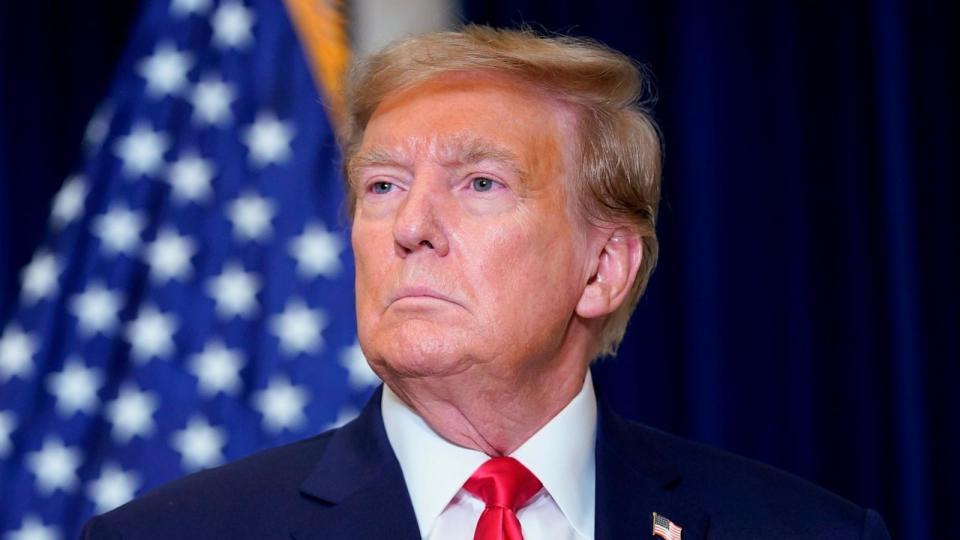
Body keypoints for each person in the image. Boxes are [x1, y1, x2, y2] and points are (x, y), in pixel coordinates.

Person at [83, 26, 891, 539]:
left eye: (479, 185)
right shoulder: (173, 534)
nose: (410, 227)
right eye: (383, 186)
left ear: (603, 268)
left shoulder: (806, 531)